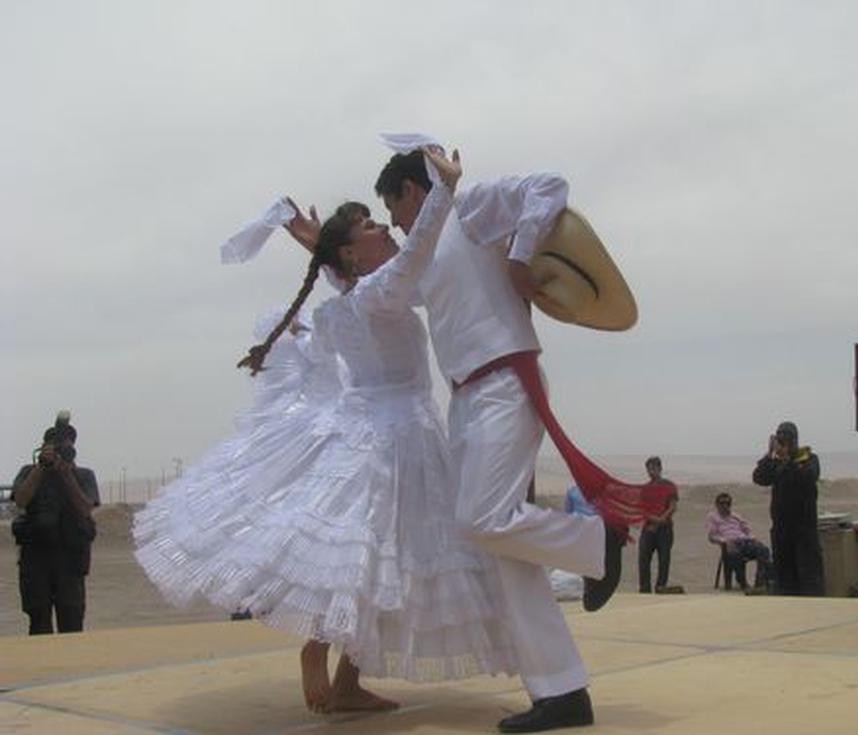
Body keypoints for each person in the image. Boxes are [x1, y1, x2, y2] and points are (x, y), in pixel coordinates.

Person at [137, 149, 518, 715]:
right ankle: (321, 653)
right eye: (370, 226)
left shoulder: (346, 304)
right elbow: (416, 252)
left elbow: (368, 272)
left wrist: (320, 245)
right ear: (351, 253)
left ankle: (346, 683)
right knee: (378, 558)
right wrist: (445, 189)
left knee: (374, 561)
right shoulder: (381, 292)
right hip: (397, 440)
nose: (384, 227)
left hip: (368, 432)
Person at [372, 141, 614, 732]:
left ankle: (600, 540)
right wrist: (326, 253)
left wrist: (519, 260)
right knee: (502, 549)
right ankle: (562, 690)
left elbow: (549, 184)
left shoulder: (471, 208)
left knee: (483, 520)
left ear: (412, 191)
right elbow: (387, 294)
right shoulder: (425, 253)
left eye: (393, 208)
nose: (395, 224)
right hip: (466, 399)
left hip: (505, 381)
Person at [12, 414, 99, 635]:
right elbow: (21, 500)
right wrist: (41, 467)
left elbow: (85, 508)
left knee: (72, 624)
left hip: (70, 560)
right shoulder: (29, 472)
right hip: (36, 559)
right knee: (39, 624)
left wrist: (67, 475)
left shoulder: (83, 475)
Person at [752, 422, 824, 596]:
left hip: (804, 528)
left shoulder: (808, 458)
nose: (783, 444)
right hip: (781, 528)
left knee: (809, 577)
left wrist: (788, 460)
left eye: (785, 439)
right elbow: (759, 477)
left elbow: (808, 477)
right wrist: (769, 454)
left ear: (794, 440)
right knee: (784, 578)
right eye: (780, 439)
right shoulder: (776, 463)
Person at [706, 492, 772, 591]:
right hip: (730, 542)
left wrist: (753, 538)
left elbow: (747, 529)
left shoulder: (736, 516)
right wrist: (724, 542)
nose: (725, 506)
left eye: (728, 503)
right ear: (717, 505)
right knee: (735, 554)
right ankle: (742, 582)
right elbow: (712, 536)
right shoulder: (713, 517)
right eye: (722, 503)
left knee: (763, 550)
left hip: (744, 540)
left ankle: (760, 583)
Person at [636, 457, 682, 594]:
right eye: (649, 469)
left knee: (664, 560)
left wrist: (661, 519)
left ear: (660, 468)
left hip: (665, 528)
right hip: (648, 527)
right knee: (643, 559)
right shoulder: (645, 489)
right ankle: (645, 589)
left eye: (654, 468)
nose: (651, 471)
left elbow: (673, 506)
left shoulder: (669, 485)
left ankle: (661, 587)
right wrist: (654, 520)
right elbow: (642, 509)